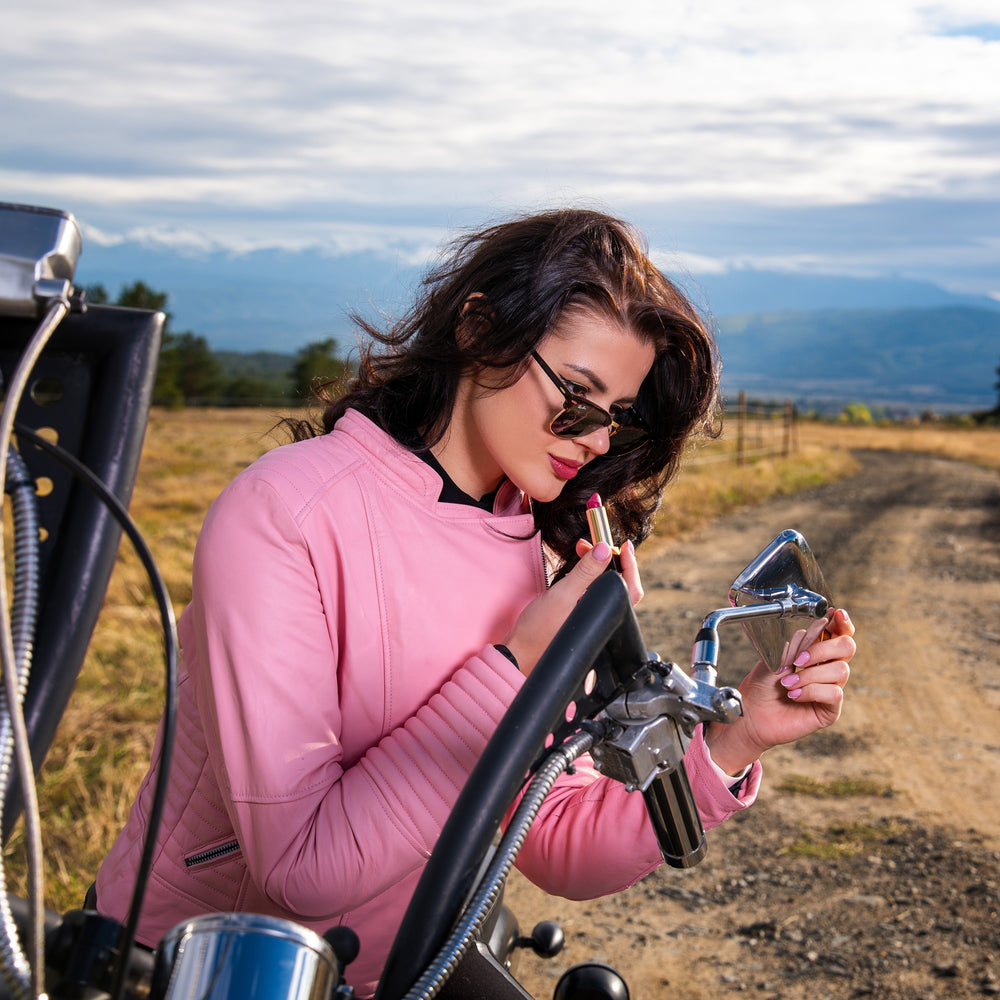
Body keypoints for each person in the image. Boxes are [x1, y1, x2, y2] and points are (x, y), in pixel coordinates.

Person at [94, 208, 854, 997]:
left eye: (617, 420)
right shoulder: (286, 512)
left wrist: (735, 742)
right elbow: (302, 869)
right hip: (199, 967)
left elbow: (554, 835)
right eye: (577, 397)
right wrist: (518, 664)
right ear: (480, 330)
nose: (594, 440)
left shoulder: (539, 551)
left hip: (406, 970)